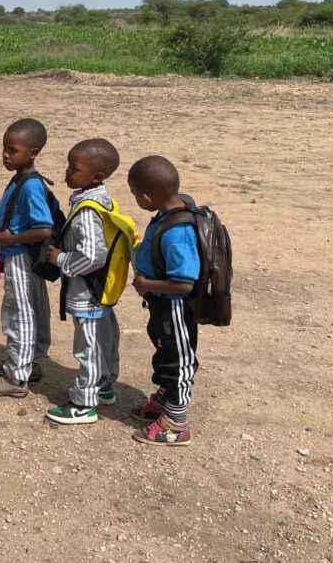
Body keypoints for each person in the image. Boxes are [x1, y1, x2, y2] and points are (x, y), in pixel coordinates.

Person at [43, 139, 122, 424]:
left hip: (87, 293)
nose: (67, 172)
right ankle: (104, 385)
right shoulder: (104, 200)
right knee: (104, 340)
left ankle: (83, 403)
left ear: (96, 176)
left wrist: (60, 259)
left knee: (87, 346)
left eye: (74, 168)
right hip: (103, 290)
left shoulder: (87, 211)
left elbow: (92, 256)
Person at [0, 118, 55, 398]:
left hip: (21, 259)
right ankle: (29, 363)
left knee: (18, 314)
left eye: (13, 150)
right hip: (21, 258)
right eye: (4, 149)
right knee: (30, 311)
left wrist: (10, 239)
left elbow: (44, 227)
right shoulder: (23, 179)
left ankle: (15, 376)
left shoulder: (31, 185)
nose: (6, 156)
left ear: (33, 152)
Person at [128, 156, 200, 447]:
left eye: (136, 196)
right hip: (161, 304)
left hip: (176, 307)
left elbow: (184, 282)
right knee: (163, 349)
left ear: (147, 196)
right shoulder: (168, 210)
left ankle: (177, 421)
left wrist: (145, 283)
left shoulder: (177, 232)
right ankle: (165, 399)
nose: (136, 200)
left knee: (178, 359)